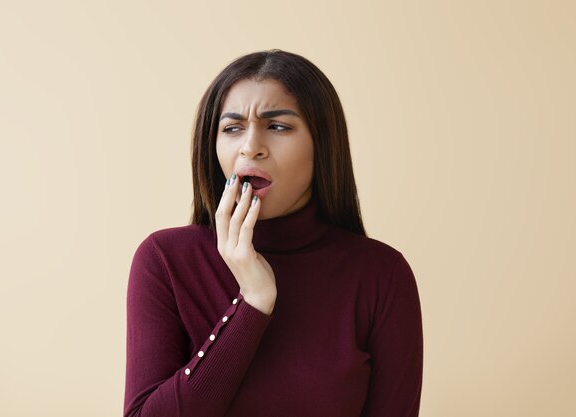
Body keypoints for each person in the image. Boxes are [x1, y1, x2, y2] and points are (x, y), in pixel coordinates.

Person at [123, 49, 423, 417]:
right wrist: (252, 301)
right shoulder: (165, 260)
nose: (250, 147)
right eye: (232, 128)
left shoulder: (381, 274)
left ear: (323, 145)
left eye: (278, 126)